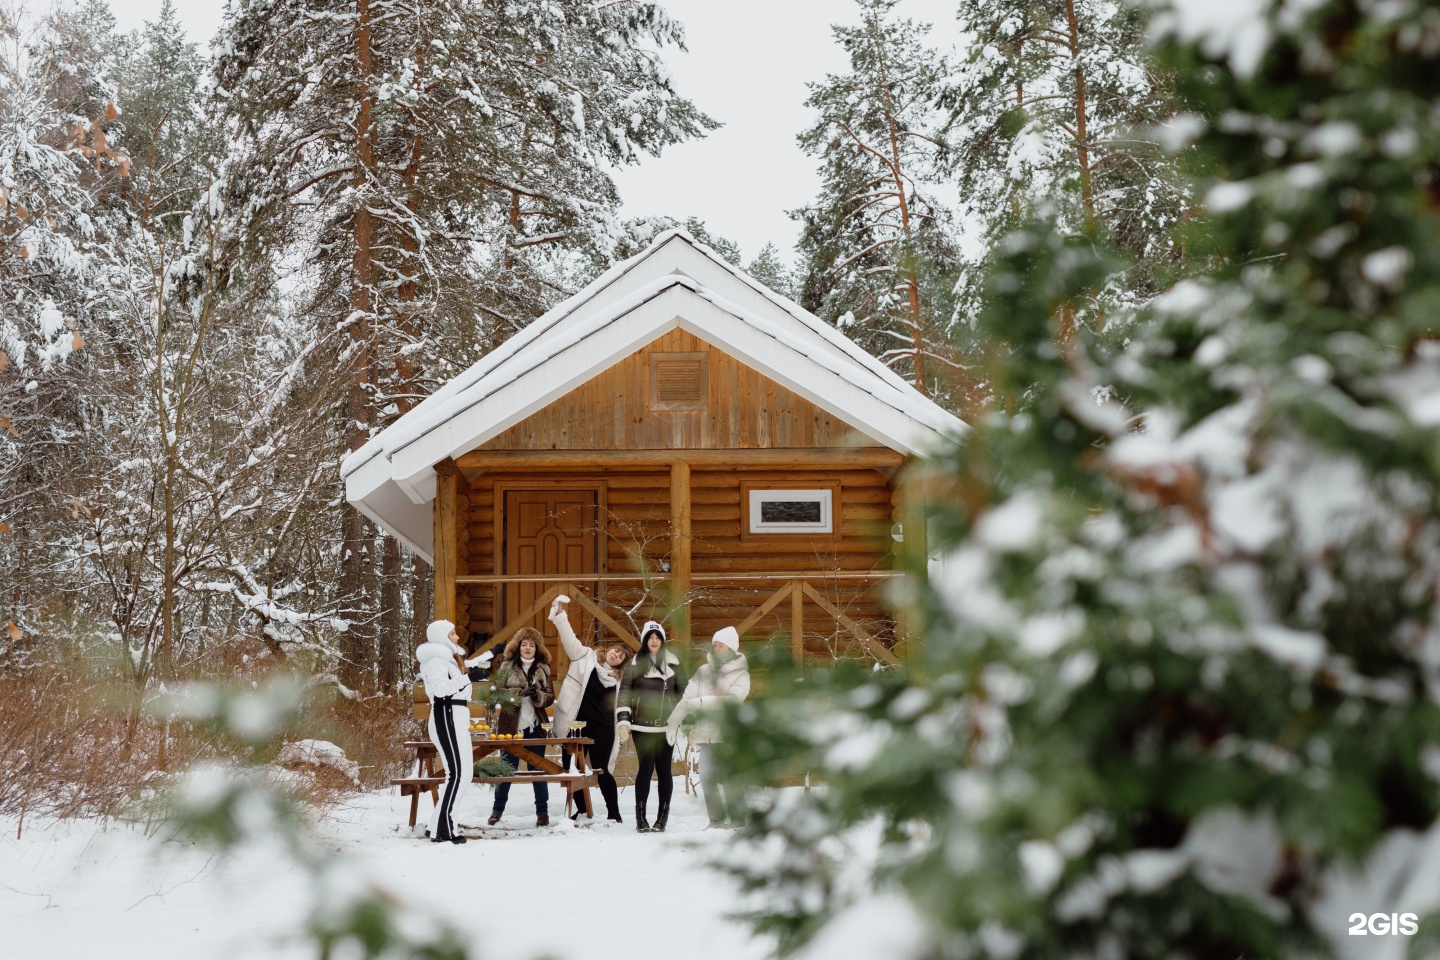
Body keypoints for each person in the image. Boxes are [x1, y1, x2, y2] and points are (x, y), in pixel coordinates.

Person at [548, 595, 630, 823]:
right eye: (615, 650)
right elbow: (569, 639)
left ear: (621, 663)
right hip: (577, 724)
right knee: (570, 766)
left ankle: (614, 812)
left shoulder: (618, 681)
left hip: (603, 727)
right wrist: (560, 614)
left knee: (602, 769)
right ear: (609, 650)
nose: (616, 655)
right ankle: (583, 810)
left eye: (621, 656)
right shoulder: (585, 657)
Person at [415, 619, 492, 844]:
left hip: (456, 717)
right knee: (456, 775)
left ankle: (434, 824)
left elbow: (468, 666)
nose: (457, 638)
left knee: (464, 774)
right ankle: (444, 830)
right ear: (441, 637)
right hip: (446, 715)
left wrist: (492, 652)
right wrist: (469, 677)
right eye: (452, 634)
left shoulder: (449, 660)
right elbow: (440, 690)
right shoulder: (436, 661)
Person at [667, 626, 750, 828]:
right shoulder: (703, 671)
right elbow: (687, 699)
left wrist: (701, 702)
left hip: (728, 735)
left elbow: (732, 700)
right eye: (714, 645)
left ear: (731, 648)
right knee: (706, 778)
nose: (716, 648)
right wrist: (673, 722)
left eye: (720, 645)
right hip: (706, 735)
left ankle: (738, 819)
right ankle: (717, 820)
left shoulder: (741, 673)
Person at [617, 619, 688, 833]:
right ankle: (641, 818)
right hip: (642, 726)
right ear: (645, 641)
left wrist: (686, 720)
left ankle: (662, 818)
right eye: (650, 637)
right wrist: (623, 720)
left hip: (668, 726)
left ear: (662, 641)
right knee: (645, 769)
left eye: (657, 637)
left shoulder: (674, 663)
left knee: (664, 770)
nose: (654, 641)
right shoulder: (635, 664)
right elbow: (625, 693)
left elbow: (685, 692)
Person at [487, 626, 556, 828]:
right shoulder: (506, 667)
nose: (527, 648)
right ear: (517, 647)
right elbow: (495, 692)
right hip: (510, 726)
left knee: (538, 770)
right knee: (506, 770)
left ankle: (542, 813)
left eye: (531, 645)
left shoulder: (543, 668)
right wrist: (518, 692)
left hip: (535, 726)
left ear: (537, 648)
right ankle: (497, 810)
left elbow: (550, 697)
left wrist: (537, 696)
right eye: (524, 644)